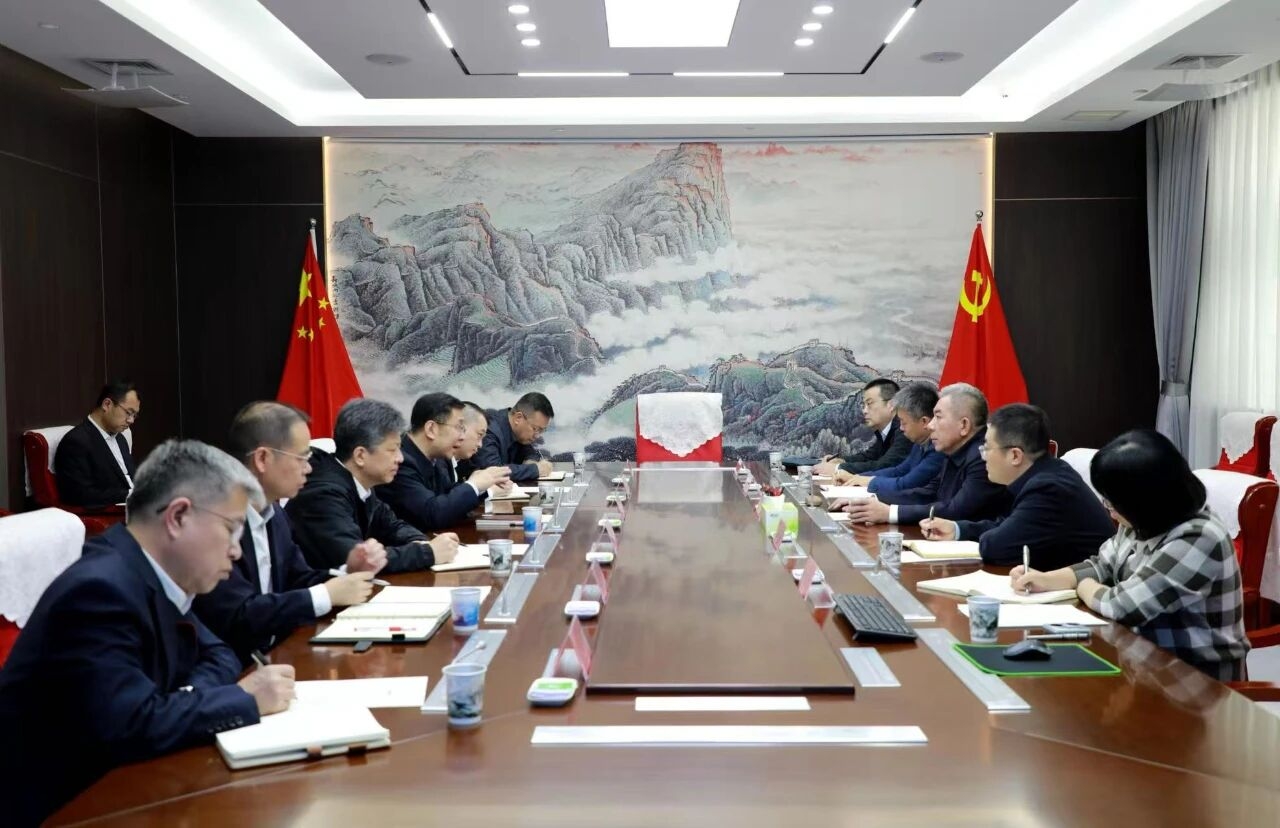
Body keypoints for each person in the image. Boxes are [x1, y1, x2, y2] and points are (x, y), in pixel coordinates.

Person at [0, 440, 296, 826]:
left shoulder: (153, 573)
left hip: (128, 787)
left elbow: (219, 652)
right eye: (230, 529)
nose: (236, 551)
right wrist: (242, 698)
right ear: (178, 516)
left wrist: (182, 699)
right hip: (66, 809)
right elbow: (132, 726)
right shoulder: (100, 589)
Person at [1012, 429, 1249, 680]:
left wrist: (1083, 585)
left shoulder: (1199, 537)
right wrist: (1047, 579)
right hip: (1142, 663)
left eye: (1113, 502)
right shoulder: (1143, 520)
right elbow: (1103, 565)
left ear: (1144, 499)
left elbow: (1123, 606)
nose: (1109, 509)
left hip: (1197, 681)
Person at [193, 402, 388, 665]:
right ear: (263, 459)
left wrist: (348, 572)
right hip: (234, 668)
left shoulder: (274, 512)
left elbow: (297, 578)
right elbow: (238, 614)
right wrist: (325, 595)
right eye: (302, 458)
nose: (309, 468)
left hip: (276, 657)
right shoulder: (216, 522)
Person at [919, 404, 1115, 570]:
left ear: (1015, 455)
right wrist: (956, 529)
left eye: (987, 448)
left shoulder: (1048, 488)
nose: (982, 456)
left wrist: (983, 536)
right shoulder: (1046, 472)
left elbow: (997, 547)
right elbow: (1008, 525)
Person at [286, 398, 459, 573]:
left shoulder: (360, 484)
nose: (400, 458)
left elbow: (392, 526)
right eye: (392, 450)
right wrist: (427, 553)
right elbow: (356, 560)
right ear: (360, 455)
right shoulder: (323, 494)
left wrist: (420, 541)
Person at [837, 382, 1010, 526]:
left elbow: (955, 510)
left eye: (938, 417)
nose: (931, 426)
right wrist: (869, 500)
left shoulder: (983, 456)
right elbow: (927, 493)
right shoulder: (954, 450)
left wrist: (890, 513)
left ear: (964, 425)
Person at [378, 393, 511, 533]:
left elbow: (447, 494)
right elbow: (432, 513)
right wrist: (474, 485)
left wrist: (483, 486)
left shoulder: (434, 458)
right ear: (431, 429)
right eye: (459, 427)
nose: (462, 437)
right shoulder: (400, 462)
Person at [836, 383, 943, 496]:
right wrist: (858, 478)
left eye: (904, 422)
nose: (901, 428)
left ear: (924, 421)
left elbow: (907, 483)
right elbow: (899, 471)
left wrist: (868, 481)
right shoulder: (920, 443)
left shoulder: (938, 448)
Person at [54, 379, 140, 508]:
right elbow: (81, 494)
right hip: (112, 513)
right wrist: (130, 494)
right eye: (128, 412)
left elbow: (129, 478)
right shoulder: (76, 442)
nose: (131, 420)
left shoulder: (121, 438)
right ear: (107, 404)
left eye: (135, 415)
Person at [814, 378, 911, 477]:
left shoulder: (904, 430)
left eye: (869, 404)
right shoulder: (885, 430)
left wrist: (838, 468)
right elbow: (869, 456)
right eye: (863, 405)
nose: (864, 411)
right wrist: (841, 461)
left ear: (891, 405)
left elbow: (885, 465)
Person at [459, 392, 555, 483]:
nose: (537, 435)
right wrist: (534, 469)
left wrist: (531, 462)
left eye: (542, 431)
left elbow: (530, 453)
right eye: (535, 429)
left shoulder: (520, 434)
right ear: (518, 418)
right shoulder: (489, 428)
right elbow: (492, 470)